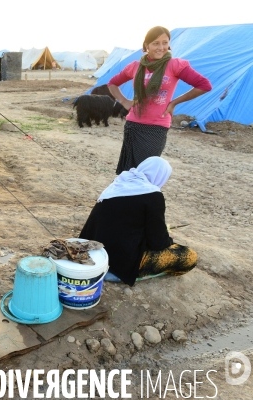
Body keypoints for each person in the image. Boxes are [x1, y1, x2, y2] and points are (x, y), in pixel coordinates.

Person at [108, 26, 211, 175]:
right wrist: (124, 101)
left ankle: (143, 198)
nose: (161, 47)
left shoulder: (175, 65)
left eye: (164, 43)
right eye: (156, 43)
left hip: (157, 126)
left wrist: (174, 102)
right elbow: (112, 83)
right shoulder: (136, 67)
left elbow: (204, 85)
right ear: (146, 46)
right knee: (128, 172)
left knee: (147, 173)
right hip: (133, 125)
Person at [79, 157, 197, 286]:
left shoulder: (119, 183)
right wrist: (168, 238)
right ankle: (137, 274)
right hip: (116, 269)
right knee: (189, 256)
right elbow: (158, 243)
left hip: (90, 256)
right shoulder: (153, 195)